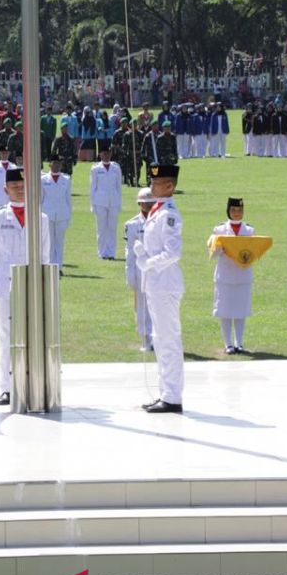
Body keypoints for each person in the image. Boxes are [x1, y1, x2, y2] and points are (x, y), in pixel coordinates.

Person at [0, 168, 50, 406]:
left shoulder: (40, 218)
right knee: (6, 335)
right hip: (5, 284)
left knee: (34, 334)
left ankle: (33, 383)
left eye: (23, 185)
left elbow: (44, 255)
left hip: (31, 283)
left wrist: (43, 286)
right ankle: (7, 387)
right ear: (5, 189)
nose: (19, 189)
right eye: (14, 186)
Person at [133, 164, 184, 414]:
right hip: (155, 283)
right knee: (159, 339)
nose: (152, 185)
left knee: (168, 339)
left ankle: (173, 396)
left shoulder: (169, 214)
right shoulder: (157, 210)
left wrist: (147, 262)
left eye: (157, 182)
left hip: (165, 284)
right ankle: (165, 392)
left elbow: (172, 252)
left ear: (170, 186)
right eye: (151, 181)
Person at [209, 197, 255, 354]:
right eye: (234, 210)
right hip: (225, 275)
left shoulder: (249, 231)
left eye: (240, 210)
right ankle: (228, 344)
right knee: (225, 311)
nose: (237, 213)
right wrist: (221, 247)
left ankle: (239, 343)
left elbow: (253, 252)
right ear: (228, 211)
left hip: (243, 275)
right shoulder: (219, 230)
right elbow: (213, 253)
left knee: (241, 311)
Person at [124, 187, 155, 351]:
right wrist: (129, 273)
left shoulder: (159, 221)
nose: (148, 206)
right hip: (140, 270)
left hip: (156, 269)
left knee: (156, 306)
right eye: (144, 203)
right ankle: (145, 339)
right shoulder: (132, 224)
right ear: (139, 204)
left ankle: (157, 339)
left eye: (150, 202)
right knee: (142, 307)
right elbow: (130, 252)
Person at [89, 147, 123, 260]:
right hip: (100, 201)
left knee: (112, 228)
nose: (106, 156)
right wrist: (92, 204)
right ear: (100, 155)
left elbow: (119, 187)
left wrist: (119, 203)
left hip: (113, 201)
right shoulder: (95, 169)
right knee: (101, 228)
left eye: (108, 153)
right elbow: (92, 187)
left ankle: (111, 252)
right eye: (104, 153)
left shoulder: (116, 168)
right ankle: (102, 252)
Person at [39, 158, 71, 269]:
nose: (56, 166)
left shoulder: (66, 179)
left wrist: (68, 216)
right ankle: (50, 265)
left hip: (62, 214)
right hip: (47, 213)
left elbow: (68, 200)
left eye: (58, 164)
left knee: (59, 242)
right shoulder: (43, 180)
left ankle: (59, 266)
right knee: (49, 242)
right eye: (54, 163)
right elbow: (40, 199)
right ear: (49, 165)